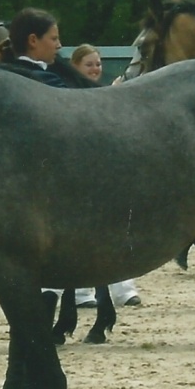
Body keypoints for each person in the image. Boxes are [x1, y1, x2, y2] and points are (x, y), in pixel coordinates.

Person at [67, 43, 141, 308]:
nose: (96, 69)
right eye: (89, 64)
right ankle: (81, 293)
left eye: (98, 64)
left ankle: (124, 289)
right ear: (76, 67)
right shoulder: (69, 92)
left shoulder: (105, 91)